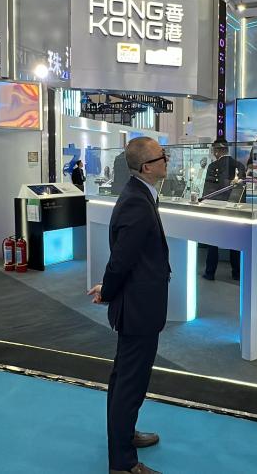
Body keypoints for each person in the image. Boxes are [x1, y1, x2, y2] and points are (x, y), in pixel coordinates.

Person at [87, 137, 171, 474]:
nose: (167, 160)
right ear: (147, 167)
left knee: (126, 377)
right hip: (139, 307)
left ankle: (125, 435)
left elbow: (128, 257)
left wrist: (108, 288)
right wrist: (108, 290)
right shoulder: (137, 202)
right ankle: (122, 463)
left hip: (138, 303)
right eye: (162, 156)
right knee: (129, 382)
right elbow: (121, 259)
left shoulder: (140, 194)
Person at [202, 142, 245, 281]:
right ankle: (236, 272)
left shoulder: (213, 166)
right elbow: (241, 190)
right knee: (235, 241)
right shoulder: (239, 165)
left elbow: (208, 189)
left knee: (213, 242)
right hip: (235, 207)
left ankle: (210, 272)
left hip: (216, 207)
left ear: (217, 151)